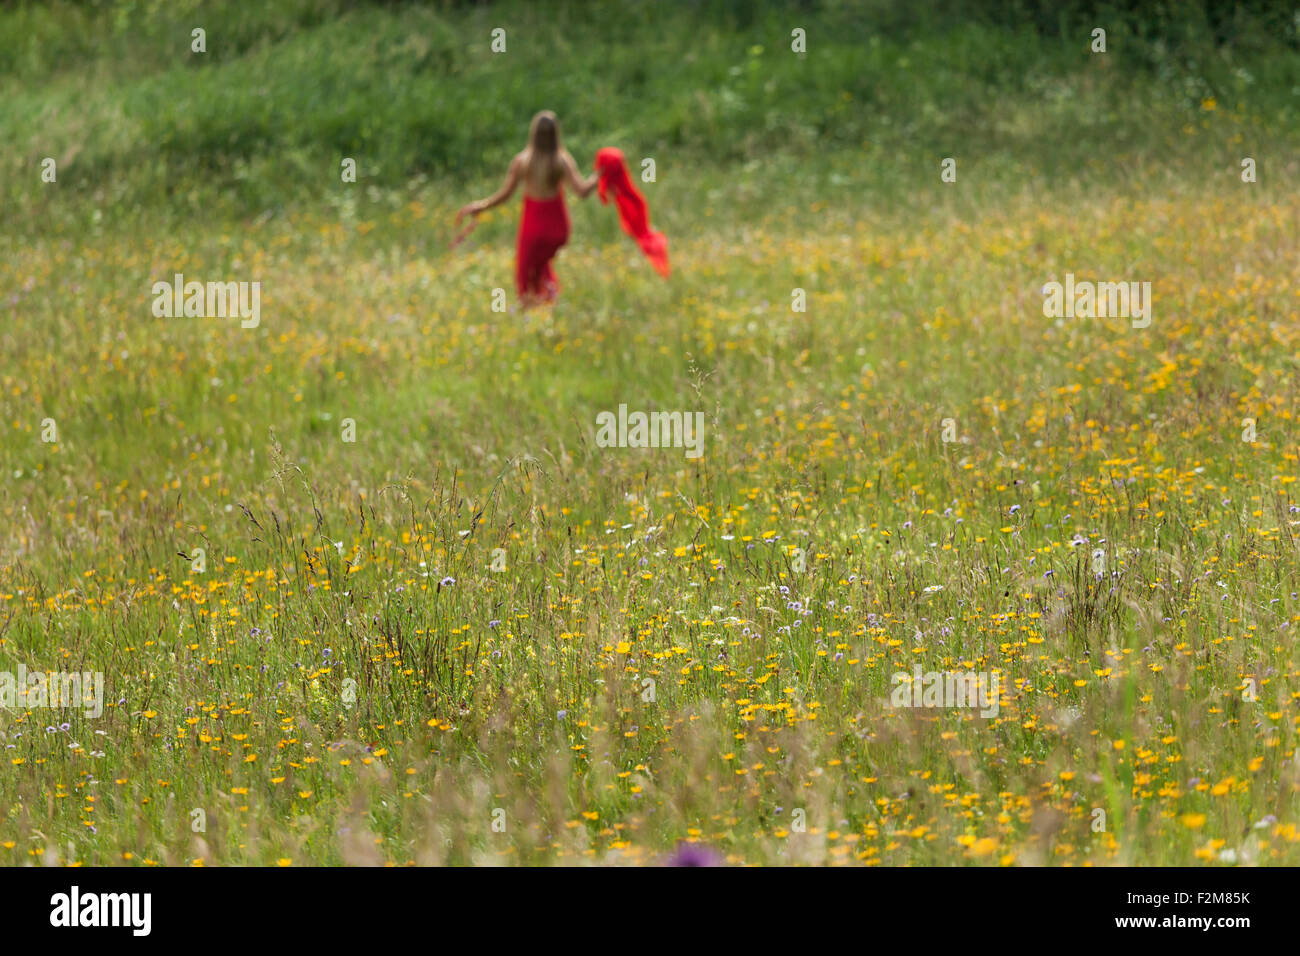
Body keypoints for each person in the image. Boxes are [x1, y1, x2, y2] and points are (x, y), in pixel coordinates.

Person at [457, 111, 599, 307]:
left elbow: (505, 194)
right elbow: (582, 191)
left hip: (533, 226)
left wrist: (480, 206)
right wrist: (601, 174)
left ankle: (531, 312)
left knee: (526, 274)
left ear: (533, 133)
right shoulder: (561, 160)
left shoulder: (523, 161)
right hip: (558, 228)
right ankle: (549, 305)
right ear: (555, 134)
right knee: (542, 269)